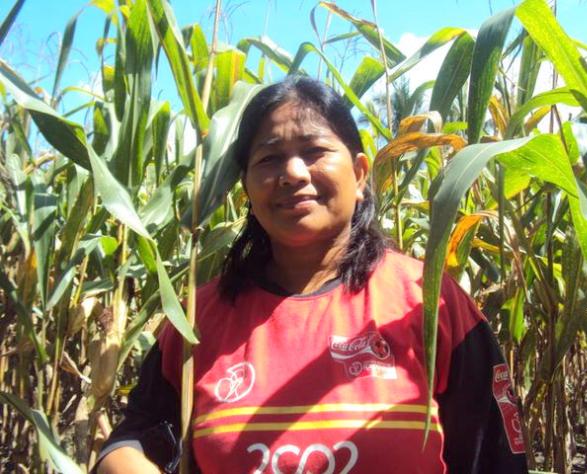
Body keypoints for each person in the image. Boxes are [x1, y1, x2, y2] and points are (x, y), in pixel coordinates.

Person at [96, 76, 528, 473]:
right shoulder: (196, 321)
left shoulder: (427, 300)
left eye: (314, 151)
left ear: (360, 174)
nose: (292, 173)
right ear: (246, 188)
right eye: (269, 158)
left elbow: (495, 458)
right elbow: (134, 440)